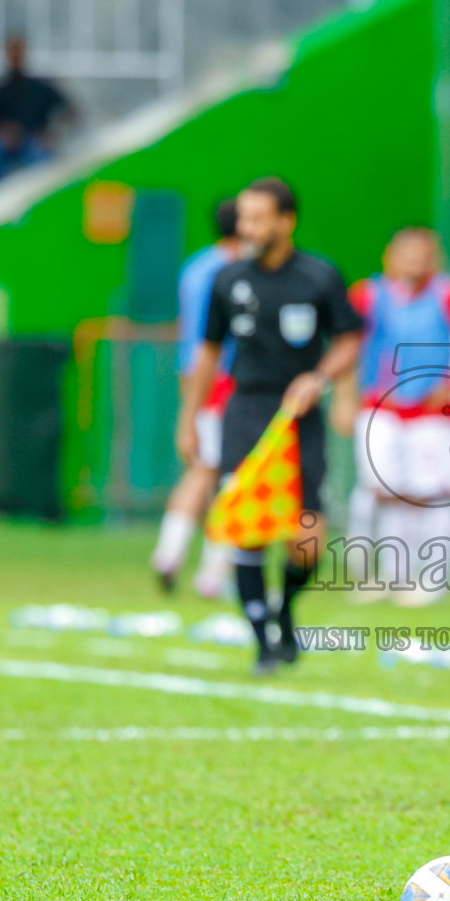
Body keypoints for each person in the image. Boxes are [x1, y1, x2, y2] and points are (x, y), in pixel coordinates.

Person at [183, 178, 362, 674]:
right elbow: (208, 350)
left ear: (287, 221)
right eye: (243, 218)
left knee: (307, 538)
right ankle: (263, 640)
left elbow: (348, 339)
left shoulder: (319, 276)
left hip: (299, 418)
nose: (247, 228)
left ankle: (285, 607)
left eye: (259, 218)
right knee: (247, 528)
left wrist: (319, 377)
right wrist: (190, 419)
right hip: (246, 411)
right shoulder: (227, 280)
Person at [349, 227, 450, 606]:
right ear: (389, 256)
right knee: (385, 489)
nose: (414, 260)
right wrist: (346, 395)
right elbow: (347, 345)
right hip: (381, 407)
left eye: (422, 253)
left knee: (430, 492)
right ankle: (392, 574)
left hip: (432, 412)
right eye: (406, 252)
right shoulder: (368, 295)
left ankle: (433, 577)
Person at [154, 198, 242, 596]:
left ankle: (169, 552)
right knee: (230, 476)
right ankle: (213, 573)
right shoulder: (238, 271)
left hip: (194, 376)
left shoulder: (195, 266)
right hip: (230, 378)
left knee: (202, 469)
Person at [0, 36, 71, 184]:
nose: (15, 55)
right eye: (12, 51)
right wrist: (2, 132)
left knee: (39, 154)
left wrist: (52, 132)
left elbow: (69, 112)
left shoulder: (41, 89)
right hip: (4, 145)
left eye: (18, 50)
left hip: (34, 142)